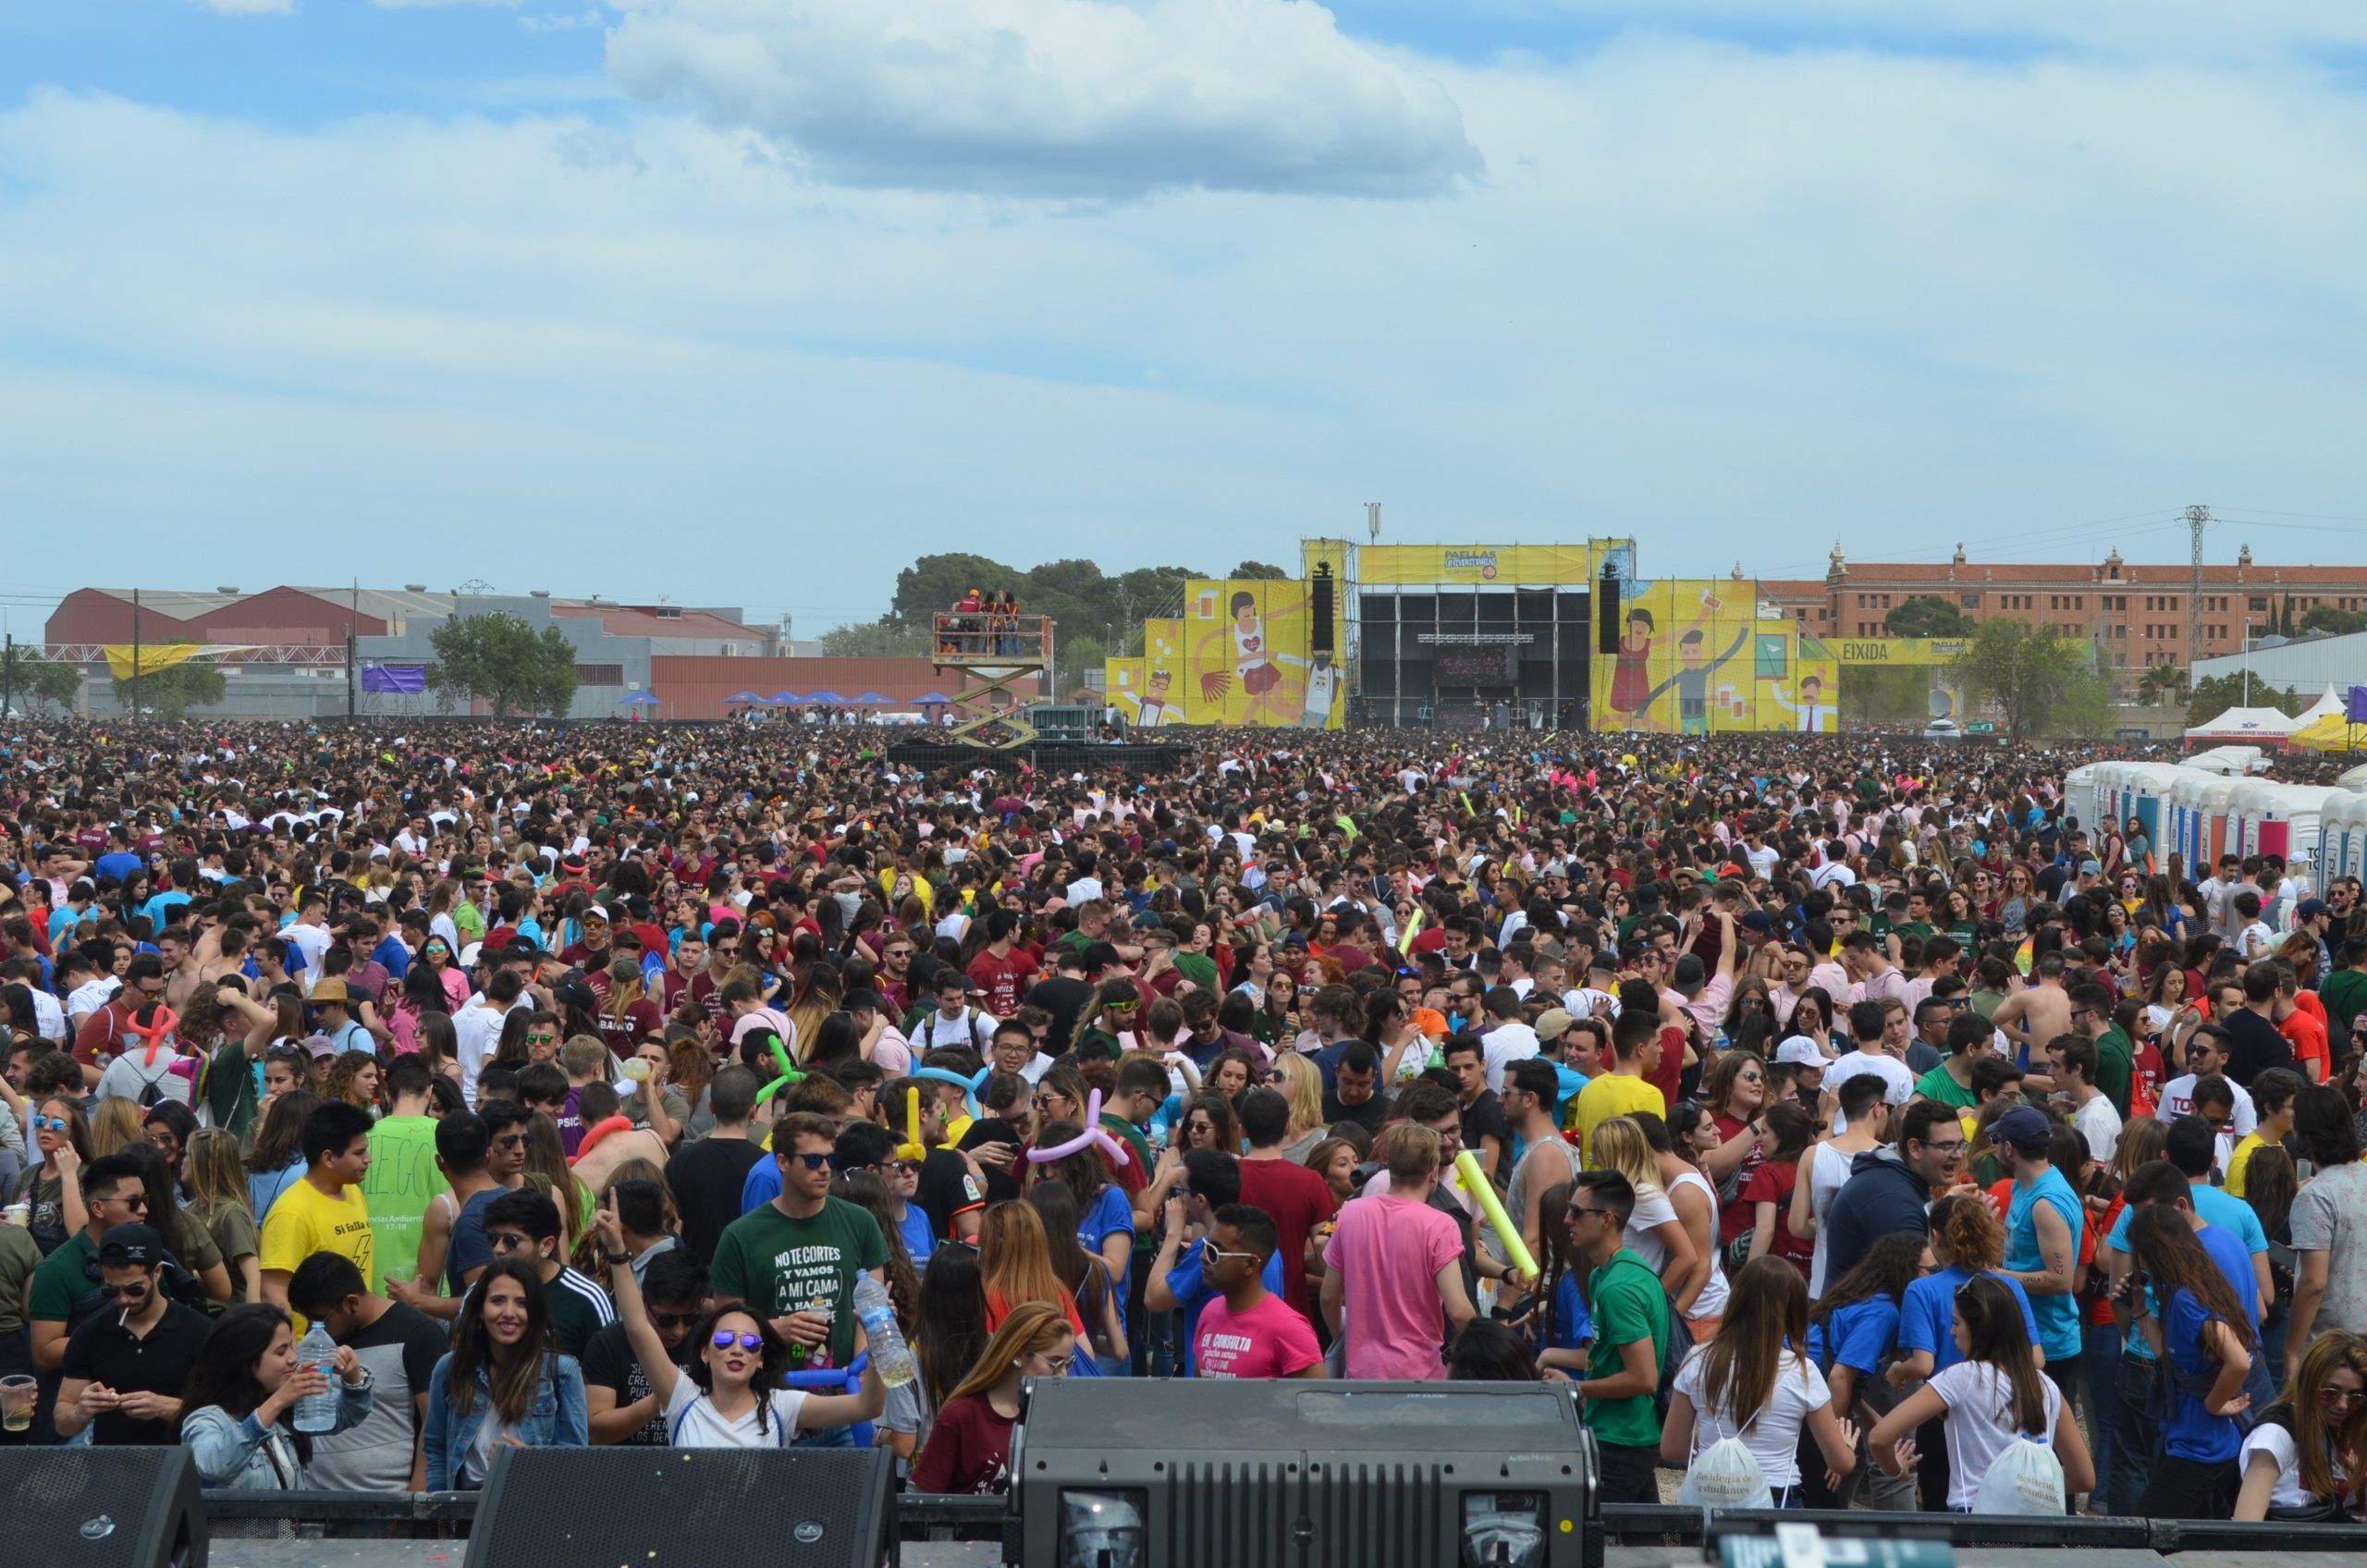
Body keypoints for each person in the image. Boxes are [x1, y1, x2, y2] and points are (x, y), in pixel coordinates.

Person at [592, 1192, 885, 1447]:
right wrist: (618, 1252)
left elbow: (868, 1405)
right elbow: (637, 1327)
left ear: (760, 1359)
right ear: (705, 1352)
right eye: (724, 1339)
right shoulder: (682, 1397)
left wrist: (878, 1336)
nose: (736, 1348)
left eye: (750, 1343)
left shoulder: (782, 1406)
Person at [1870, 1275, 2094, 1512]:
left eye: (1956, 1323)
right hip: (2037, 1530)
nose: (1952, 1332)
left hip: (1976, 1524)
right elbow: (2085, 1478)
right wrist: (2027, 1489)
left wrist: (1895, 1469)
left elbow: (1878, 1438)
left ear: (1978, 1327)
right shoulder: (2047, 1387)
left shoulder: (1960, 1378)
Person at [711, 1111, 888, 1392]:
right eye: (813, 1161)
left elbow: (871, 1310)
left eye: (832, 1159)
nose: (826, 1169)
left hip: (843, 1394)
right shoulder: (741, 1235)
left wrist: (860, 1366)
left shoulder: (860, 1222)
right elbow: (722, 1330)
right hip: (769, 1398)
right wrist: (774, 1330)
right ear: (782, 1162)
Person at [1663, 1256, 1858, 1508]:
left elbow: (1672, 1449)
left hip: (1709, 1492)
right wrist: (1848, 1446)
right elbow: (1839, 1462)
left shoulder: (1697, 1360)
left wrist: (1713, 1435)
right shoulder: (1803, 1371)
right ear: (1794, 1312)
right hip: (1776, 1499)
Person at [2124, 1204, 2261, 1517]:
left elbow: (2239, 1361)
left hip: (2201, 1448)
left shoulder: (2187, 1299)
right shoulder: (2180, 1290)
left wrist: (2214, 1404)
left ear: (2153, 1252)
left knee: (2144, 1536)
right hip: (2188, 1439)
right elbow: (2168, 1358)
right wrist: (2140, 1310)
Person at [1319, 1123, 1474, 1380]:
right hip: (1419, 1373)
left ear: (1390, 1168)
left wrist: (1341, 1337)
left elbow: (1328, 1296)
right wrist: (1489, 1345)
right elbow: (1458, 1310)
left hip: (1361, 1372)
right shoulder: (1440, 1225)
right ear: (1433, 1172)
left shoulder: (1351, 1214)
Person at [285, 1252, 448, 1491]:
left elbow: (435, 1426)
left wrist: (416, 1503)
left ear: (351, 1303)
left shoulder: (418, 1333)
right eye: (306, 1319)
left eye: (319, 1319)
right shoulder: (321, 1342)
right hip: (315, 1504)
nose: (312, 1328)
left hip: (387, 1503)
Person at [422, 1258, 589, 1489]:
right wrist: (440, 1515)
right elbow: (435, 1449)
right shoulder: (450, 1368)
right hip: (464, 1512)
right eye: (498, 1301)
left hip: (534, 1509)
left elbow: (575, 1463)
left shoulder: (563, 1371)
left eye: (521, 1303)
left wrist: (528, 1464)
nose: (509, 1312)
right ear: (480, 1309)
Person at [178, 1304, 375, 1491]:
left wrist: (352, 1375)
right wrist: (277, 1401)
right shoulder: (207, 1419)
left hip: (288, 1527)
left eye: (292, 1347)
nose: (293, 1359)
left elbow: (346, 1416)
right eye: (281, 1352)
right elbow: (217, 1466)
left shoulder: (282, 1413)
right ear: (244, 1359)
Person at [55, 1222, 214, 1446]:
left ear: (157, 1272)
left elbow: (229, 1412)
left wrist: (166, 1408)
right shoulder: (91, 1335)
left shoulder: (199, 1330)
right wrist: (81, 1411)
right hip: (114, 1466)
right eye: (111, 1290)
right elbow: (62, 1421)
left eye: (134, 1289)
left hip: (182, 1463)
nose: (123, 1299)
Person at [1564, 1169, 1667, 1505]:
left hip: (1621, 1441)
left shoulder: (1618, 1288)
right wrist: (1552, 1357)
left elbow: (1643, 1377)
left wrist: (1575, 1389)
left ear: (1607, 1219)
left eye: (1577, 1212)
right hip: (1625, 1436)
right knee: (1648, 1542)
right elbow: (1606, 1356)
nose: (1567, 1219)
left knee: (1606, 1545)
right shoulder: (1604, 1274)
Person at [908, 1300, 1073, 1494]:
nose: (1063, 1373)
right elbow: (922, 1500)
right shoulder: (961, 1415)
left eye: (1068, 1363)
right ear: (1019, 1355)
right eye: (1055, 1362)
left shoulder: (1054, 1417)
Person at [1993, 1105, 2085, 1408]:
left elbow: (2060, 1280)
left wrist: (1997, 1275)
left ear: (2009, 1148)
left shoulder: (2046, 1203)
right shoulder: (2025, 1185)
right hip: (2026, 1336)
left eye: (1996, 1141)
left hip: (2049, 1343)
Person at [1818, 1099, 1963, 1285]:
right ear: (1915, 1148)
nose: (1958, 1154)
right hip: (1864, 1312)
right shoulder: (1892, 1201)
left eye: (1960, 1145)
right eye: (1946, 1146)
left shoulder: (1898, 1179)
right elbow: (1921, 1283)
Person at [2232, 1327, 2367, 1522]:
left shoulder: (2339, 1431)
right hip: (2282, 1547)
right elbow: (2247, 1524)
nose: (2342, 1405)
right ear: (2308, 1384)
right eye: (2330, 1392)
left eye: (2354, 1397)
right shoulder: (2274, 1434)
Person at [258, 1101, 376, 1310]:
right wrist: (296, 1342)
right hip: (317, 1341)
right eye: (359, 1153)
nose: (369, 1159)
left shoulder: (353, 1192)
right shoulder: (291, 1213)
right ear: (329, 1158)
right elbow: (273, 1292)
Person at [583, 1249, 709, 1445]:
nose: (679, 1331)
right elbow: (595, 1431)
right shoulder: (607, 1344)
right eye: (667, 1320)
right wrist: (667, 1393)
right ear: (643, 1302)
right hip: (625, 1468)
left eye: (690, 1318)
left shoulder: (710, 1342)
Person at [1187, 1205, 1323, 1379]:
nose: (1203, 1257)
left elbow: (1316, 1401)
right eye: (1206, 1247)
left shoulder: (1288, 1328)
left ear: (1250, 1265)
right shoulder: (1210, 1312)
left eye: (1215, 1251)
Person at [2287, 1084, 2367, 1370]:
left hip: (2330, 1347)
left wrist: (2292, 1351)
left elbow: (2313, 1283)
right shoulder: (2363, 1175)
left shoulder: (2315, 1194)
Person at [480, 1186, 614, 1356]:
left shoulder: (587, 1298)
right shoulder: (479, 1291)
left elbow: (607, 1373)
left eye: (511, 1241)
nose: (498, 1249)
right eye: (493, 1239)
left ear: (547, 1245)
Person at [663, 1064, 768, 1265]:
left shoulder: (680, 1162)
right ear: (753, 1112)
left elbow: (671, 1224)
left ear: (712, 1107)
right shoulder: (765, 1165)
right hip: (747, 1270)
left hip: (694, 1274)